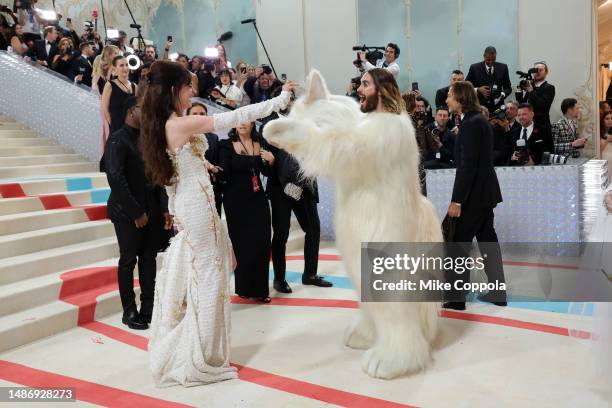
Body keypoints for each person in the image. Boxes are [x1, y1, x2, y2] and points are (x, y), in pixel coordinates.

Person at [140, 61, 296, 387]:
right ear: (173, 90)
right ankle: (201, 356)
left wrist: (179, 206)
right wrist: (279, 101)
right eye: (187, 87)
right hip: (196, 206)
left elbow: (172, 178)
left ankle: (206, 349)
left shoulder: (165, 125)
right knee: (209, 279)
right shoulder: (176, 125)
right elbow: (231, 117)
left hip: (195, 203)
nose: (192, 92)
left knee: (210, 275)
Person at [104, 96, 171, 330]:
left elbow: (158, 176)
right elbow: (115, 177)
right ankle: (129, 311)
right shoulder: (117, 140)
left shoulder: (148, 140)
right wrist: (135, 212)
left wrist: (164, 209)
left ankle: (149, 309)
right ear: (131, 111)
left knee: (149, 258)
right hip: (126, 211)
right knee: (128, 259)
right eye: (144, 108)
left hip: (151, 207)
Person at [444, 81, 506, 310]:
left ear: (460, 98)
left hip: (473, 196)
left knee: (458, 244)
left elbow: (467, 166)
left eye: (450, 95)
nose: (447, 99)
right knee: (488, 241)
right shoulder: (477, 120)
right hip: (484, 194)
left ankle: (456, 298)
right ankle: (498, 293)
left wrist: (457, 200)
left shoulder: (471, 123)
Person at [265, 90, 332, 294]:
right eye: (288, 98)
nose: (292, 101)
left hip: (305, 187)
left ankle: (310, 274)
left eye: (293, 98)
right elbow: (266, 159)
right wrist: (275, 163)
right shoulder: (269, 125)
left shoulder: (306, 124)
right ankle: (279, 279)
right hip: (280, 189)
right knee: (281, 235)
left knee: (313, 230)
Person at [219, 122, 276, 302]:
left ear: (252, 124)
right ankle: (244, 288)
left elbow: (266, 171)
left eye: (247, 120)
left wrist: (272, 161)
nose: (242, 123)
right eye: (239, 120)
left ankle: (260, 290)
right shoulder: (225, 145)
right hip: (235, 201)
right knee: (242, 245)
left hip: (258, 199)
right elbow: (223, 174)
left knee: (262, 241)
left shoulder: (261, 144)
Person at [186, 102, 223, 216]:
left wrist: (213, 169)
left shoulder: (214, 138)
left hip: (211, 193)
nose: (199, 116)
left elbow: (218, 167)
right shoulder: (181, 137)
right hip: (190, 194)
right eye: (195, 113)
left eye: (202, 114)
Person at [465, 46, 512, 113]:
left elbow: (508, 88)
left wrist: (502, 94)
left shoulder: (503, 68)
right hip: (479, 108)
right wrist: (478, 90)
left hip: (498, 108)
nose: (491, 62)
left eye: (493, 60)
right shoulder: (474, 68)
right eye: (488, 60)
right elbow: (466, 87)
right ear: (484, 56)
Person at [102, 56, 137, 135]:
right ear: (115, 69)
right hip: (116, 129)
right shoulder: (110, 85)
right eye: (121, 65)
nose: (125, 68)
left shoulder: (134, 86)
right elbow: (104, 108)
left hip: (131, 130)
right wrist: (113, 126)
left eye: (127, 65)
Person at [600, 111, 612, 181]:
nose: (610, 121)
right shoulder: (599, 133)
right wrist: (607, 140)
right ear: (602, 120)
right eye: (607, 119)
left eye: (611, 119)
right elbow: (597, 151)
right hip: (604, 160)